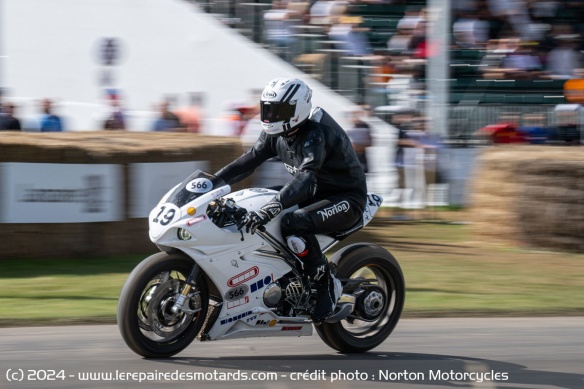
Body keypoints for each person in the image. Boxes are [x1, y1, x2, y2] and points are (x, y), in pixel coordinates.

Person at [215, 78, 367, 323]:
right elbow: (250, 159)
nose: (271, 116)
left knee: (293, 222)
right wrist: (214, 182)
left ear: (298, 109)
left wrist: (273, 206)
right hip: (314, 194)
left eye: (279, 110)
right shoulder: (276, 133)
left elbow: (307, 176)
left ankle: (325, 284)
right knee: (250, 204)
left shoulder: (316, 133)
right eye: (268, 109)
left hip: (345, 198)